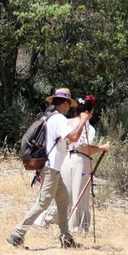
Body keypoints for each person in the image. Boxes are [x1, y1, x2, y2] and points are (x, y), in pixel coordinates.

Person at [8, 88, 90, 248]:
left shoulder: (50, 117)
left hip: (52, 169)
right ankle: (17, 233)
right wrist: (82, 120)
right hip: (51, 169)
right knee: (43, 202)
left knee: (63, 199)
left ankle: (66, 238)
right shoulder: (59, 119)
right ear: (65, 103)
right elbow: (73, 138)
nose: (70, 108)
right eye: (69, 104)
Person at [37, 94, 109, 235]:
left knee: (64, 192)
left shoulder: (67, 122)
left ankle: (53, 220)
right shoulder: (87, 127)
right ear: (87, 112)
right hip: (80, 162)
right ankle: (76, 226)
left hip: (64, 160)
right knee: (78, 194)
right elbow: (85, 148)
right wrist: (102, 147)